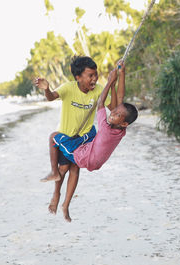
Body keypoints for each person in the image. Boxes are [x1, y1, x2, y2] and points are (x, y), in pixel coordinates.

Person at [52, 60, 138, 221]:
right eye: (90, 75)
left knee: (55, 141)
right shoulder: (121, 130)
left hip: (85, 156)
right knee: (87, 137)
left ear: (124, 122)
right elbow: (119, 99)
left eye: (116, 114)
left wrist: (110, 82)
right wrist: (121, 74)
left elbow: (101, 104)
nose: (112, 114)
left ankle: (55, 180)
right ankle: (60, 199)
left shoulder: (105, 126)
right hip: (92, 155)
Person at [34, 56, 114, 219]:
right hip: (66, 136)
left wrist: (114, 82)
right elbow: (51, 97)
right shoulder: (69, 88)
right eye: (90, 75)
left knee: (75, 169)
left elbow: (114, 107)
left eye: (95, 75)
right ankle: (56, 195)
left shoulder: (98, 90)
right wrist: (46, 89)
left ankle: (65, 204)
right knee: (63, 169)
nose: (94, 78)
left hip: (84, 137)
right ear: (78, 77)